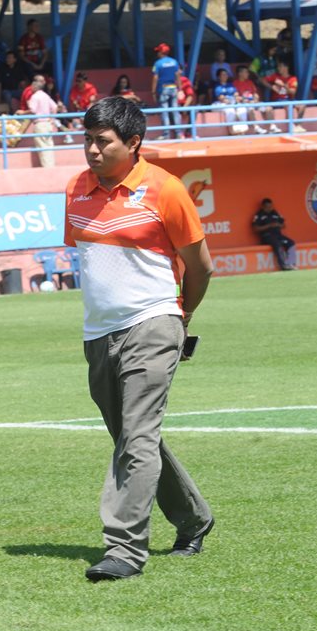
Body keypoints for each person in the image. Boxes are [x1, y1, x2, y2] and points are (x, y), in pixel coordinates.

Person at [65, 96, 215, 582]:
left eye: (102, 141)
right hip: (98, 334)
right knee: (133, 437)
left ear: (133, 143)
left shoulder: (166, 190)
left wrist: (181, 315)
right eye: (86, 139)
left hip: (153, 324)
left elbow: (201, 266)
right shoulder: (74, 190)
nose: (91, 149)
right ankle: (193, 519)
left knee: (137, 435)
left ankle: (124, 549)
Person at [252, 198, 296, 270]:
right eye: (267, 207)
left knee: (291, 243)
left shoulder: (275, 213)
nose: (269, 208)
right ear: (262, 206)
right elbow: (255, 228)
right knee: (277, 244)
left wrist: (278, 224)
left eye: (271, 206)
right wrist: (269, 226)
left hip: (278, 235)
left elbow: (284, 225)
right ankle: (283, 265)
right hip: (267, 236)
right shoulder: (259, 215)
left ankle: (291, 263)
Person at [25, 74, 59, 167]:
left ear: (35, 87)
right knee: (49, 146)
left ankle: (47, 168)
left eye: (31, 87)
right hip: (48, 124)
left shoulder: (34, 97)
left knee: (42, 147)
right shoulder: (45, 96)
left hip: (39, 124)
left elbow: (32, 110)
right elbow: (55, 107)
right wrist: (52, 119)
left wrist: (22, 112)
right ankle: (51, 166)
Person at [151, 43, 183, 140]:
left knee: (164, 111)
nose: (157, 53)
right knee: (175, 111)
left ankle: (166, 134)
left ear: (161, 52)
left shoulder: (158, 63)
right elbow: (178, 75)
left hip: (163, 89)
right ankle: (178, 133)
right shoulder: (174, 62)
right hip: (173, 88)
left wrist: (153, 91)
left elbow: (155, 77)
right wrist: (180, 89)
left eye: (158, 51)